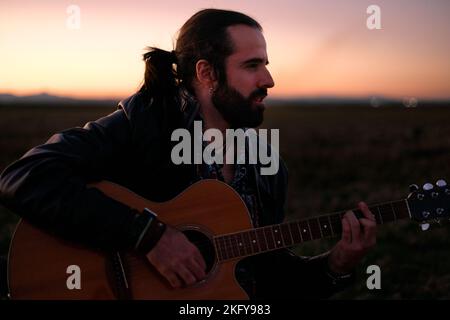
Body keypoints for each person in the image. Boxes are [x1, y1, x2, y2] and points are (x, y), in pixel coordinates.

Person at [0, 8, 376, 299]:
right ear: (206, 72)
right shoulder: (141, 127)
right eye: (252, 65)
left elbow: (265, 278)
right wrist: (148, 236)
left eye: (266, 63)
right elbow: (24, 176)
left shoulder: (267, 167)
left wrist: (335, 265)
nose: (269, 79)